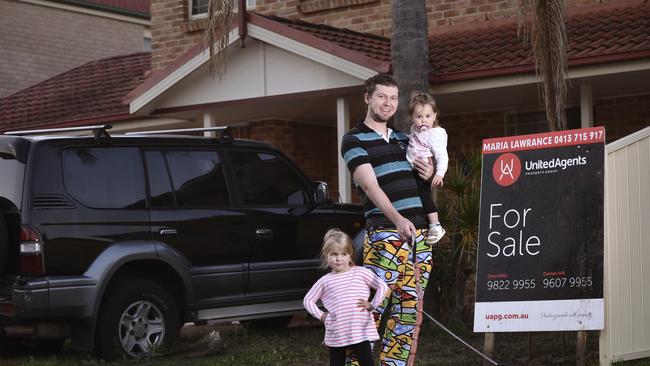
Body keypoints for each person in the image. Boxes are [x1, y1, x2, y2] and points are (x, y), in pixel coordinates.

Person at [340, 73, 435, 366]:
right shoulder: (354, 139)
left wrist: (429, 174)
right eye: (381, 96)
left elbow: (423, 183)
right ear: (368, 98)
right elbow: (370, 185)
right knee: (371, 308)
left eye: (393, 98)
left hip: (419, 236)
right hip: (385, 234)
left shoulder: (406, 139)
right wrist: (396, 219)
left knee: (407, 313)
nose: (388, 103)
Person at [303, 228, 389, 366]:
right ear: (326, 256)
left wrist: (373, 305)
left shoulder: (361, 273)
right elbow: (308, 300)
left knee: (367, 362)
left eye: (344, 254)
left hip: (360, 330)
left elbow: (382, 286)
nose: (339, 258)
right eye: (334, 254)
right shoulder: (325, 281)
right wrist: (321, 315)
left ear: (350, 255)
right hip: (336, 331)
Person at [405, 91, 448, 245]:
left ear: (435, 116)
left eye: (428, 116)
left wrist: (439, 173)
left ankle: (435, 225)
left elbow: (442, 155)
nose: (423, 120)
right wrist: (415, 98)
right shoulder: (414, 130)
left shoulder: (435, 134)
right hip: (412, 169)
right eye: (419, 116)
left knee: (424, 197)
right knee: (418, 198)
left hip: (422, 171)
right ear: (412, 118)